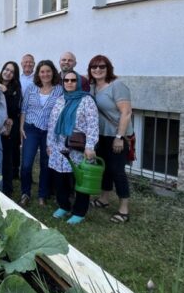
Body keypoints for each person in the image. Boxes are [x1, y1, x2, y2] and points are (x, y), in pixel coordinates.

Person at [47, 71, 99, 225]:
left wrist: (90, 146)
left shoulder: (86, 101)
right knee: (60, 178)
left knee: (80, 179)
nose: (69, 83)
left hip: (78, 147)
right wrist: (49, 144)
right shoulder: (60, 99)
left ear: (79, 83)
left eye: (73, 80)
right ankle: (63, 205)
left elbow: (93, 125)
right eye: (66, 80)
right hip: (58, 146)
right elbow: (52, 124)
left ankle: (79, 212)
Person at [89, 55, 133, 223]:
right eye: (94, 67)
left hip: (116, 135)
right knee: (105, 169)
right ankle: (104, 199)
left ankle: (124, 209)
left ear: (108, 68)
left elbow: (126, 112)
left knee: (117, 171)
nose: (97, 70)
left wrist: (119, 137)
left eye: (101, 66)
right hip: (100, 135)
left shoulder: (117, 86)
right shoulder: (93, 87)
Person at [19, 60, 63, 207]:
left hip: (49, 132)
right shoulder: (31, 88)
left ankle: (42, 195)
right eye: (42, 71)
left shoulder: (59, 90)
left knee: (46, 164)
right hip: (30, 129)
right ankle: (25, 193)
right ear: (38, 73)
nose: (45, 74)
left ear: (53, 72)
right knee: (26, 164)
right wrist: (21, 128)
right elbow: (24, 109)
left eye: (48, 71)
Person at [0, 61, 22, 195]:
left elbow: (12, 109)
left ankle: (7, 189)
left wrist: (5, 92)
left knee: (7, 158)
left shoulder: (16, 88)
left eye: (11, 71)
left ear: (14, 75)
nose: (8, 73)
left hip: (8, 128)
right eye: (6, 69)